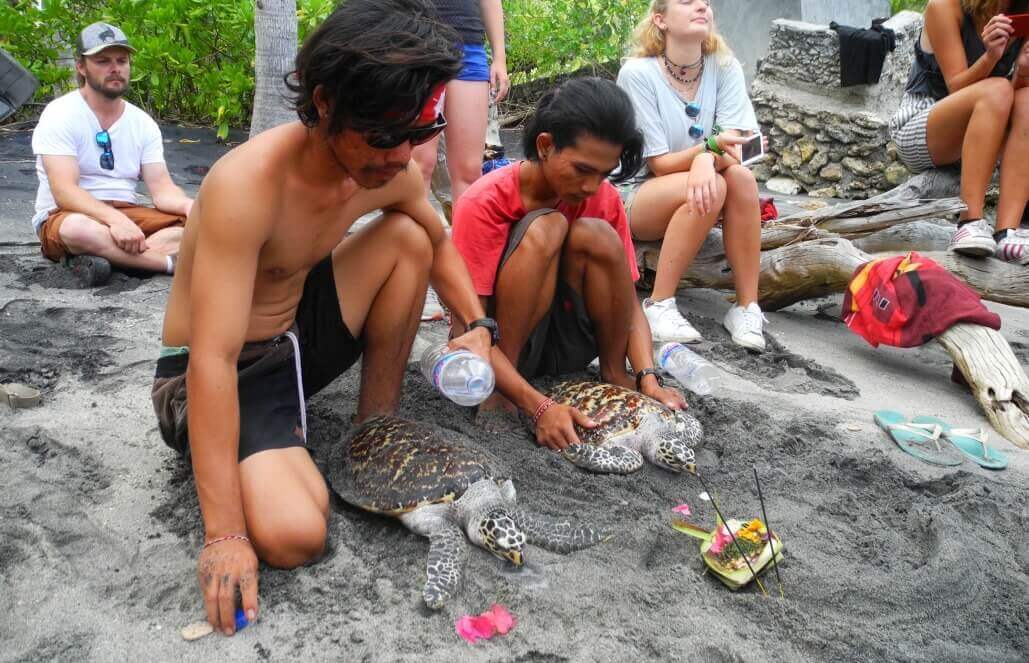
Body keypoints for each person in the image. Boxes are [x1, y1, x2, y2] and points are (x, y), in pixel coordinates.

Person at [152, 0, 494, 636]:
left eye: (419, 137)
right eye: (386, 137)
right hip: (214, 367)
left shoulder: (385, 170)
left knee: (409, 239)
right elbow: (213, 358)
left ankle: (375, 429)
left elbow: (437, 238)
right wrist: (223, 533)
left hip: (293, 339)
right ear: (326, 102)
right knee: (294, 537)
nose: (400, 158)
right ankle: (269, 463)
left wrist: (475, 322)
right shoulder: (247, 186)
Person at [451, 77, 687, 451]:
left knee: (597, 234)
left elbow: (627, 300)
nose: (592, 186)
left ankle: (613, 374)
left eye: (603, 173)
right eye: (582, 170)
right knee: (549, 225)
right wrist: (538, 405)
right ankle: (502, 389)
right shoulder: (485, 202)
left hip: (568, 344)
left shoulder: (602, 198)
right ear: (545, 146)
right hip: (496, 347)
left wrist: (646, 375)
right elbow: (467, 326)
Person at [616, 0, 767, 351]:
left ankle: (747, 307)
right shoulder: (638, 74)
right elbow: (658, 164)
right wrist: (708, 153)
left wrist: (706, 158)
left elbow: (750, 147)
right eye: (687, 1)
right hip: (637, 195)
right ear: (660, 19)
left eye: (707, 2)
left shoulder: (724, 66)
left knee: (742, 180)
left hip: (698, 186)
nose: (702, 6)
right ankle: (659, 304)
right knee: (713, 183)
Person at [30, 22, 192, 286]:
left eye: (122, 60)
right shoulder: (60, 113)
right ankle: (167, 263)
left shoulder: (142, 122)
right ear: (81, 67)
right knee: (80, 230)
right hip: (66, 214)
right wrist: (115, 221)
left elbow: (162, 189)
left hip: (128, 212)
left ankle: (115, 260)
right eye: (103, 61)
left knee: (200, 225)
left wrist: (190, 207)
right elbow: (64, 191)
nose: (115, 68)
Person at [890, 0, 1029, 265]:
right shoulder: (945, 7)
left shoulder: (1021, 12)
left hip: (981, 128)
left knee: (1026, 99)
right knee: (997, 89)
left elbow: (1011, 95)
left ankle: (1006, 233)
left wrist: (1022, 72)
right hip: (921, 127)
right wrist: (991, 56)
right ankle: (970, 220)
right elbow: (956, 87)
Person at [412, 0, 510, 205]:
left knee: (469, 170)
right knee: (418, 167)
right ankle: (409, 236)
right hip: (418, 47)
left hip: (469, 50)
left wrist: (499, 58)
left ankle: (463, 236)